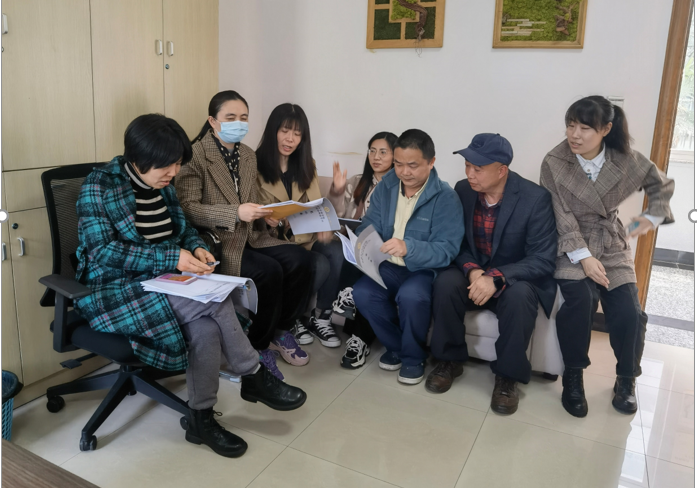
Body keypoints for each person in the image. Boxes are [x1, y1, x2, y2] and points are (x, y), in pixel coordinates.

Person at [73, 114, 307, 458]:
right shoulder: (100, 186)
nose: (173, 173)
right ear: (137, 158)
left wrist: (196, 247)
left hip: (165, 282)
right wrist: (173, 257)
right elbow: (103, 251)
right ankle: (252, 373)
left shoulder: (164, 186)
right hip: (116, 289)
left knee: (205, 329)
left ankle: (201, 420)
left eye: (178, 164)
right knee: (215, 301)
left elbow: (182, 230)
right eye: (166, 166)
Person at [540, 95, 674, 417]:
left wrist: (647, 220)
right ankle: (573, 376)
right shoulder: (554, 161)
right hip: (570, 243)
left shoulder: (624, 159)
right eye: (571, 125)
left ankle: (626, 379)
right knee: (580, 301)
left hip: (611, 242)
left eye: (585, 128)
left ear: (605, 129)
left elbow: (662, 185)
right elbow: (559, 214)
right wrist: (584, 257)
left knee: (630, 312)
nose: (575, 135)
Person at [175, 91, 314, 378]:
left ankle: (280, 331)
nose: (238, 123)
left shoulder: (248, 155)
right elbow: (187, 209)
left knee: (302, 260)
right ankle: (257, 346)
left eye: (243, 118)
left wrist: (267, 215)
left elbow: (251, 199)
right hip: (219, 243)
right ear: (213, 121)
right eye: (230, 117)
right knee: (269, 271)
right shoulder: (195, 155)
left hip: (252, 235)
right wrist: (235, 213)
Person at [428, 133, 557, 415]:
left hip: (512, 279)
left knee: (520, 297)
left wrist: (496, 277)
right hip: (475, 274)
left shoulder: (535, 199)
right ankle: (449, 360)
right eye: (467, 166)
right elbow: (456, 242)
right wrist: (473, 270)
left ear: (501, 170)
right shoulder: (463, 191)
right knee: (446, 282)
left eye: (478, 169)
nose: (469, 174)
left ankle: (507, 377)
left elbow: (542, 259)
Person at [352, 129, 464, 385]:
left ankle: (413, 358)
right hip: (388, 265)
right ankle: (398, 348)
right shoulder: (386, 188)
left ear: (431, 162)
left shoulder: (445, 197)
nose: (404, 172)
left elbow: (447, 249)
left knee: (412, 296)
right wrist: (362, 242)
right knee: (362, 293)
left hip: (422, 269)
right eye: (399, 164)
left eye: (412, 165)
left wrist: (409, 248)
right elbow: (368, 225)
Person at [256, 103, 344, 349]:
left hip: (304, 237)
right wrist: (267, 219)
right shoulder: (253, 164)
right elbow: (249, 208)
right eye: (285, 131)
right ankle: (292, 318)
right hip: (274, 240)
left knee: (336, 251)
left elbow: (315, 205)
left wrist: (332, 203)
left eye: (297, 134)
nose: (290, 139)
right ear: (273, 130)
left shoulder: (308, 164)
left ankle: (321, 317)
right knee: (319, 263)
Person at [328, 131, 397, 369]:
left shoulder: (398, 186)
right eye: (372, 151)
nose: (376, 157)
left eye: (383, 152)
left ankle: (358, 333)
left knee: (365, 263)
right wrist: (337, 191)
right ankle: (353, 327)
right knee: (352, 252)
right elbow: (336, 217)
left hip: (384, 248)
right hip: (353, 241)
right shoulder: (357, 181)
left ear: (395, 155)